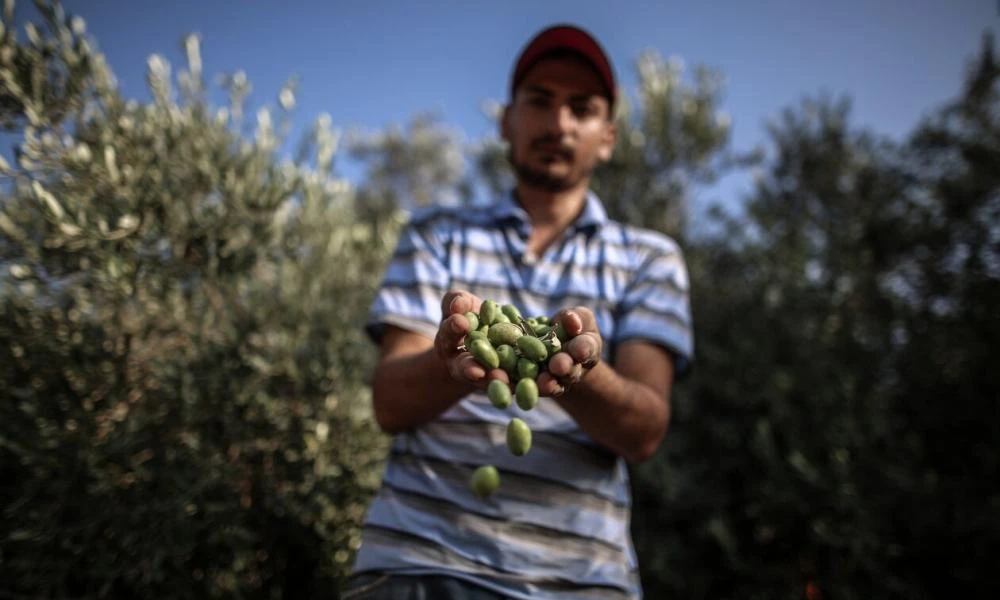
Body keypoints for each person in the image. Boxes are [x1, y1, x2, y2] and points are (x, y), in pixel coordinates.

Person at [343, 23, 694, 600]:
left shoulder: (650, 259)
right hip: (418, 567)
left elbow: (645, 432)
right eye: (540, 101)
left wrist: (580, 374)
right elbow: (388, 401)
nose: (558, 123)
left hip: (578, 583)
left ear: (607, 136)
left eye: (581, 108)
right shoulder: (435, 235)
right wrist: (450, 361)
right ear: (507, 121)